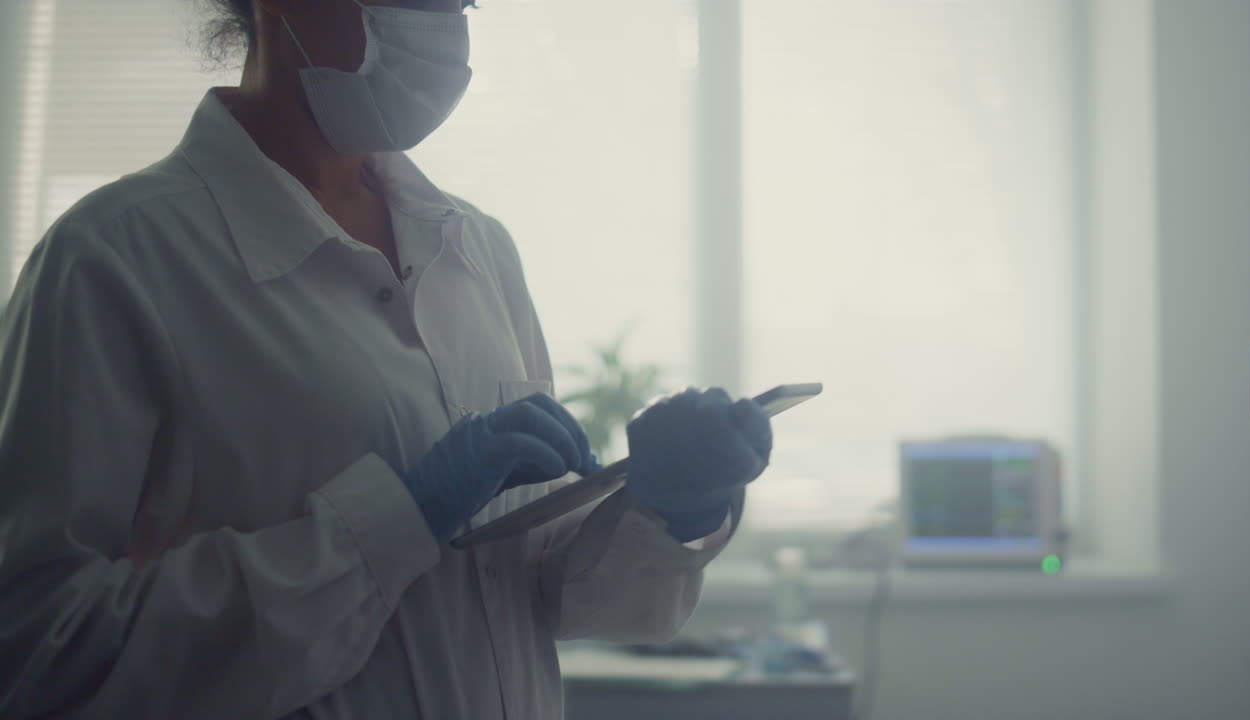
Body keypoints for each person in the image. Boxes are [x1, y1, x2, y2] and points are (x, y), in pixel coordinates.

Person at [0, 1, 773, 718]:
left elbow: (531, 588)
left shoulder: (475, 247)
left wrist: (668, 509)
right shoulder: (116, 258)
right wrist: (395, 522)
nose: (442, 28)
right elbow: (39, 648)